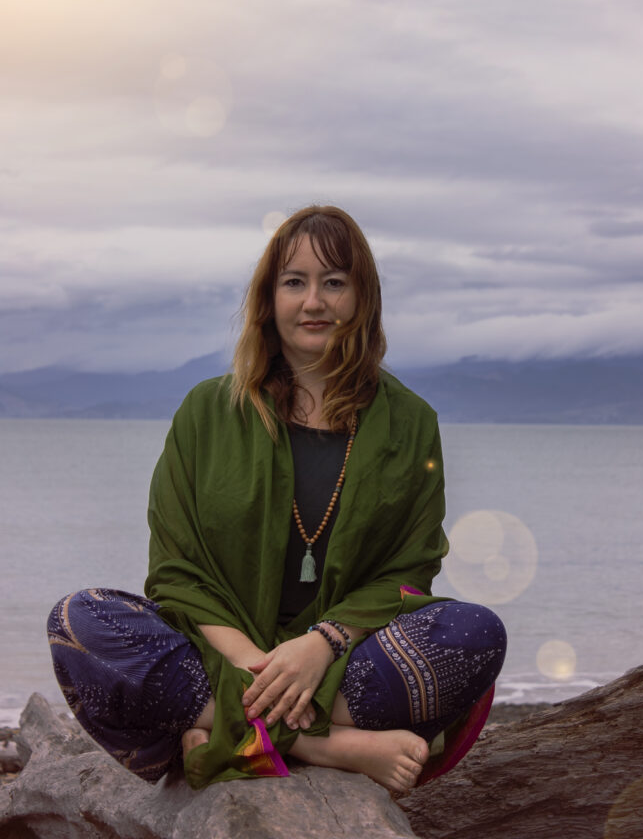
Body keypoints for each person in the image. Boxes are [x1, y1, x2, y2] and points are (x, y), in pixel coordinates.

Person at [48, 205, 506, 794]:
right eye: (295, 282)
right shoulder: (207, 412)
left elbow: (410, 570)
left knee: (474, 633)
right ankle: (329, 745)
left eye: (334, 282)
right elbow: (175, 570)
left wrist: (320, 645)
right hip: (222, 653)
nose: (313, 302)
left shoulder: (412, 423)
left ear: (362, 298)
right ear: (269, 300)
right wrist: (253, 664)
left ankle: (219, 729)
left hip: (341, 659)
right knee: (78, 621)